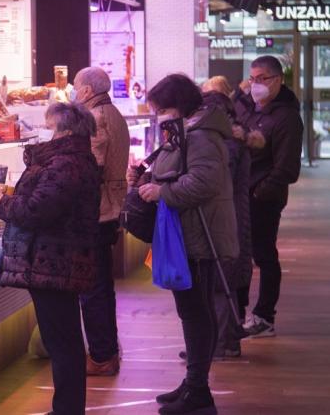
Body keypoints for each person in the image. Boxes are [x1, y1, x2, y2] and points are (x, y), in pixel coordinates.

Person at [130, 74, 238, 415]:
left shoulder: (202, 134)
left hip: (199, 234)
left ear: (178, 105)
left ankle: (198, 389)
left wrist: (163, 192)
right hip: (185, 232)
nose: (158, 115)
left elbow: (204, 182)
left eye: (161, 108)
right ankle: (193, 383)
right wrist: (147, 178)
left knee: (196, 311)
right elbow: (175, 169)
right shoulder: (187, 131)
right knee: (191, 311)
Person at [0, 102, 101, 415]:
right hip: (55, 262)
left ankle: (68, 409)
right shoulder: (71, 160)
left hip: (54, 262)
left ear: (65, 130)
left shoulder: (65, 164)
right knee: (63, 340)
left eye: (49, 125)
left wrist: (4, 203)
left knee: (63, 343)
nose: (45, 131)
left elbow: (34, 211)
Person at [232, 56, 304, 338]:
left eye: (263, 78)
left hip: (263, 199)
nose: (256, 84)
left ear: (278, 80)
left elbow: (287, 168)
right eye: (252, 79)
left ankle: (264, 316)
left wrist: (262, 191)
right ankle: (236, 312)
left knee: (264, 255)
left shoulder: (286, 117)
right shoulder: (248, 107)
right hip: (239, 195)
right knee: (238, 255)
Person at [73, 67, 129, 376]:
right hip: (108, 210)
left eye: (76, 86)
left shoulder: (97, 118)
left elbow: (91, 168)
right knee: (102, 287)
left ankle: (102, 354)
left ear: (85, 91)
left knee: (92, 288)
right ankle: (107, 349)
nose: (74, 91)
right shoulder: (110, 111)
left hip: (97, 211)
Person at [202, 91, 252, 359]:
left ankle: (220, 344)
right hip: (233, 216)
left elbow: (217, 180)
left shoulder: (227, 144)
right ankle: (229, 342)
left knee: (221, 282)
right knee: (227, 281)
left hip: (226, 218)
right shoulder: (233, 139)